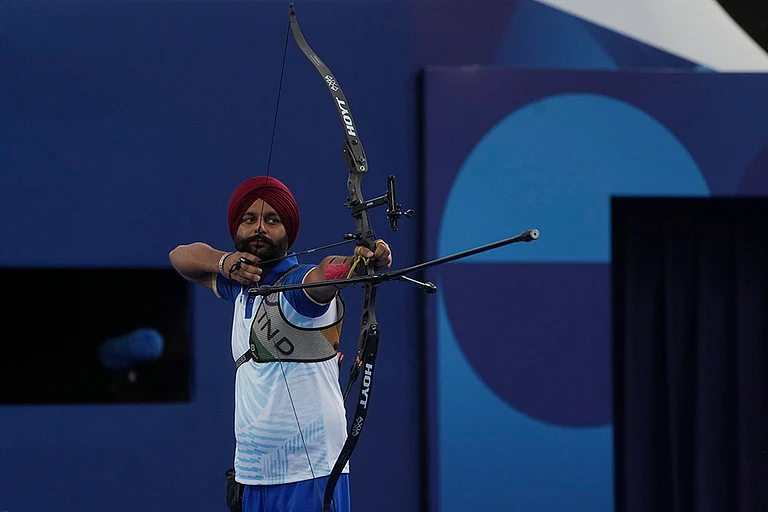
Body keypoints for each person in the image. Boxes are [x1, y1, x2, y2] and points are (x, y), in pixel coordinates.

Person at [168, 176, 392, 512]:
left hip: (308, 473)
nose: (259, 228)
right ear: (235, 229)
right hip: (253, 475)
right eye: (249, 219)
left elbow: (324, 275)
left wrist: (358, 262)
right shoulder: (240, 287)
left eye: (272, 220)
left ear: (288, 232)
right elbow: (181, 257)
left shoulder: (295, 288)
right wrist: (225, 262)